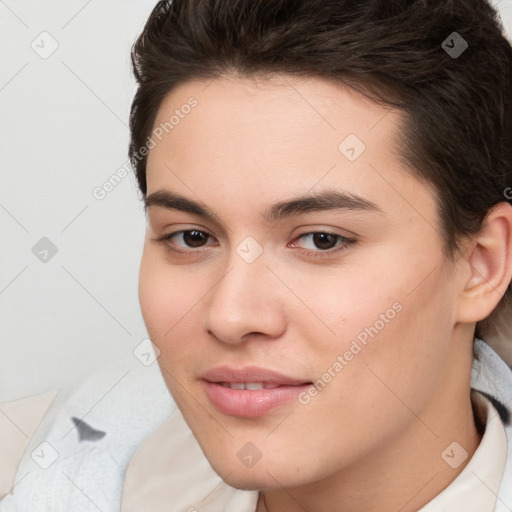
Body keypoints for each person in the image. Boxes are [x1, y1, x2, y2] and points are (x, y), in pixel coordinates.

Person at [1, 0, 512, 510]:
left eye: (321, 240)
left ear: (481, 265)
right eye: (192, 237)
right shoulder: (39, 465)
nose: (231, 316)